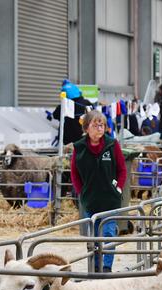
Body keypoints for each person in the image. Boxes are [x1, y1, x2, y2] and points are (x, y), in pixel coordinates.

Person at [71, 110, 127, 272]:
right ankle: (95, 267)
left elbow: (122, 169)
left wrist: (118, 188)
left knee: (108, 234)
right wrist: (81, 191)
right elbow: (74, 172)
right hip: (90, 199)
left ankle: (106, 267)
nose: (99, 129)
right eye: (95, 125)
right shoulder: (79, 147)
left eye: (101, 125)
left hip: (110, 199)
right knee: (94, 237)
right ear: (87, 128)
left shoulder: (112, 144)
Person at [49, 79, 93, 145]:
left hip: (68, 138)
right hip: (84, 136)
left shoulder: (64, 105)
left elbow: (55, 115)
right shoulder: (86, 103)